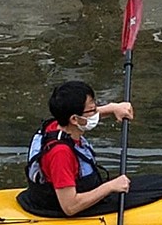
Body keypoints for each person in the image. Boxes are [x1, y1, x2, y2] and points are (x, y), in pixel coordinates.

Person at [18, 81, 133, 216]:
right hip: (61, 208)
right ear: (74, 119)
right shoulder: (60, 154)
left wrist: (113, 108)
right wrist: (110, 186)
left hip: (64, 195)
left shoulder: (58, 123)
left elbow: (85, 117)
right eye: (93, 110)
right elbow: (70, 207)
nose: (96, 112)